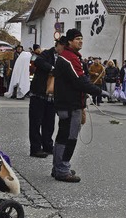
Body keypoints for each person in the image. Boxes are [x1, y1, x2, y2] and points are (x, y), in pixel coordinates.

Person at [52, 29, 102, 183]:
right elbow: (79, 81)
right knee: (70, 137)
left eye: (82, 38)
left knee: (63, 135)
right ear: (69, 42)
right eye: (77, 39)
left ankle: (58, 166)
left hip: (67, 103)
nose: (80, 41)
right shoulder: (69, 58)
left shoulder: (70, 57)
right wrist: (99, 91)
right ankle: (62, 169)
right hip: (70, 104)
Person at [28, 40, 60, 158]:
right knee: (36, 122)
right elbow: (38, 61)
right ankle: (35, 148)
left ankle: (47, 145)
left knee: (49, 122)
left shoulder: (63, 57)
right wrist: (52, 68)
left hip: (52, 96)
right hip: (38, 93)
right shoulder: (47, 53)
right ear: (57, 45)